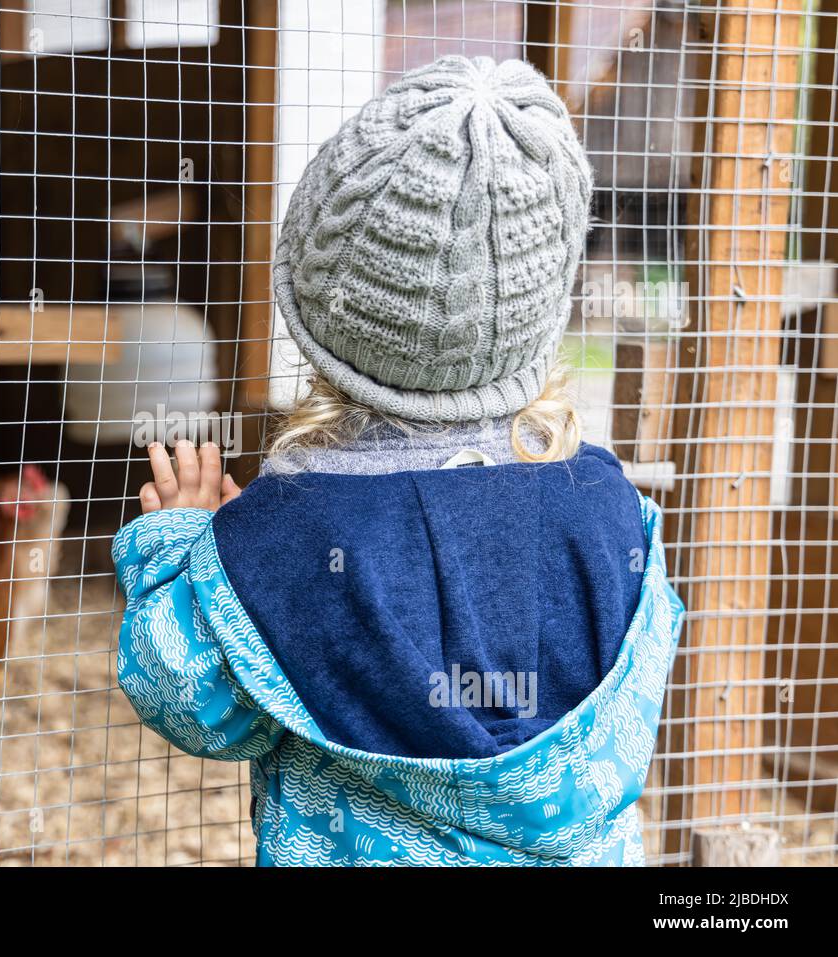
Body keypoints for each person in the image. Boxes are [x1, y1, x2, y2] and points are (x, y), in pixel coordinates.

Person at [112, 55, 684, 866]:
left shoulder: (288, 534)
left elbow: (192, 698)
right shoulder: (607, 506)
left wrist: (179, 547)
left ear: (322, 305)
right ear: (538, 305)